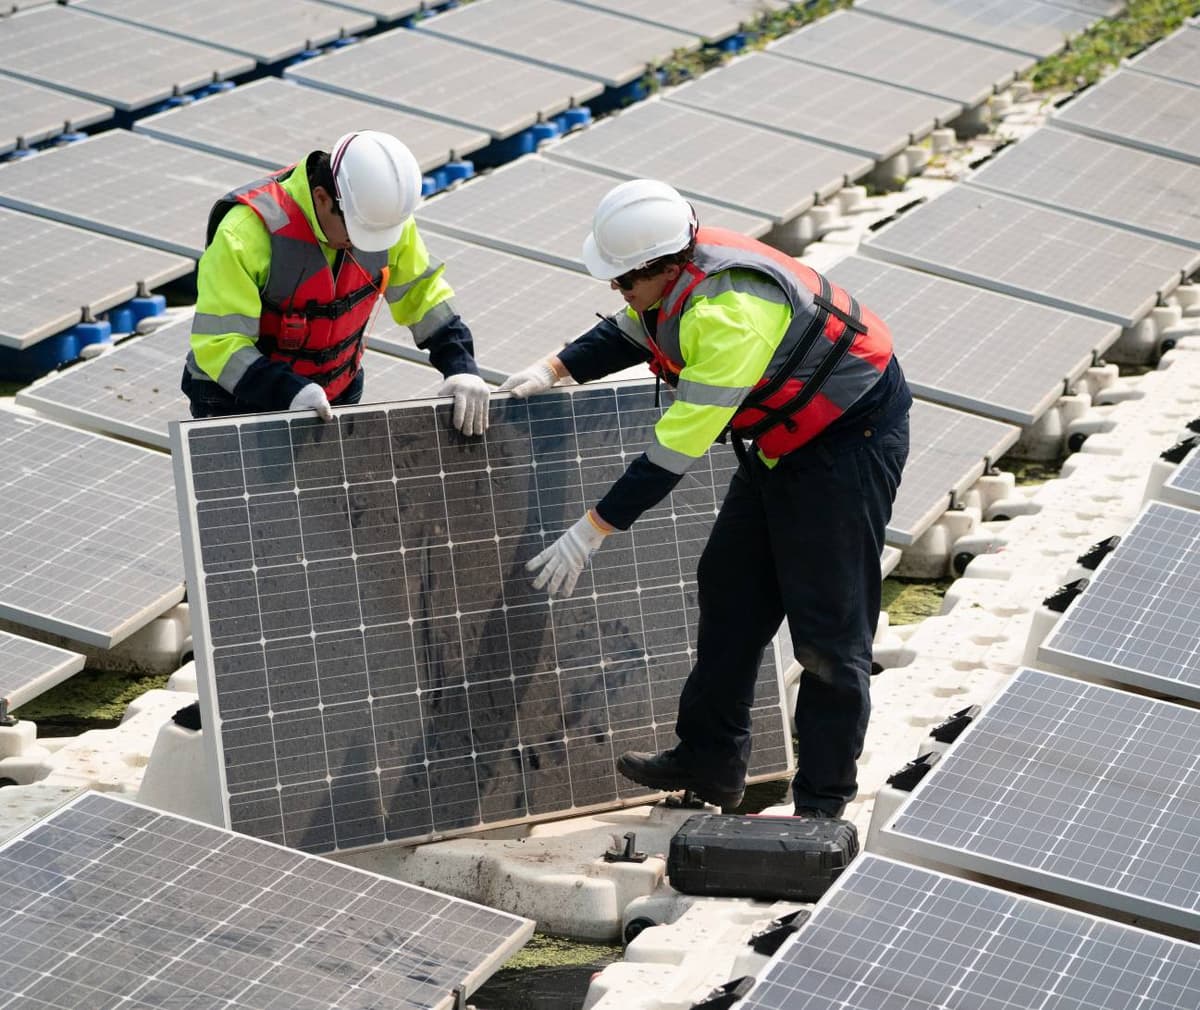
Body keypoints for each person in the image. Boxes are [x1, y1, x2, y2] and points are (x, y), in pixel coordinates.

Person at [499, 179, 910, 818]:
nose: (617, 293)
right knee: (730, 588)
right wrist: (555, 368)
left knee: (829, 634)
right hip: (784, 442)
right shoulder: (678, 272)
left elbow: (672, 452)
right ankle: (710, 760)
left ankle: (821, 808)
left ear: (663, 268)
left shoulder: (729, 321)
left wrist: (593, 529)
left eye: (623, 282)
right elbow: (636, 329)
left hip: (845, 443)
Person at [181, 130, 490, 435]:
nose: (362, 245)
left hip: (334, 392)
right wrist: (289, 391)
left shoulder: (381, 216)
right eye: (356, 232)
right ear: (322, 198)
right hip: (238, 397)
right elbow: (219, 344)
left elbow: (422, 292)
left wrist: (460, 365)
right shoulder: (243, 234)